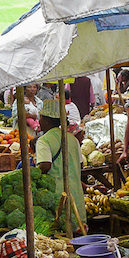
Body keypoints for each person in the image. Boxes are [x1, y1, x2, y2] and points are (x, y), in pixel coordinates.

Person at [34, 99, 86, 231]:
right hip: (76, 196)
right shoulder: (72, 139)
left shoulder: (43, 140)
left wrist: (33, 173)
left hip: (58, 197)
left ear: (47, 120)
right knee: (78, 228)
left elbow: (45, 165)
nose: (39, 121)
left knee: (61, 234)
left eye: (41, 118)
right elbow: (80, 165)